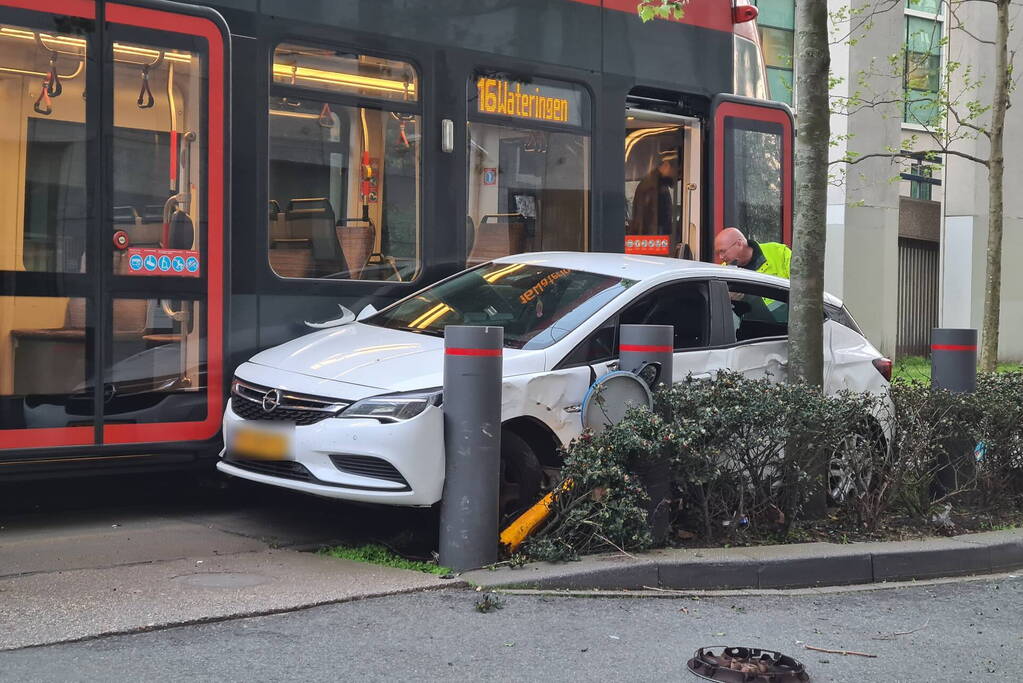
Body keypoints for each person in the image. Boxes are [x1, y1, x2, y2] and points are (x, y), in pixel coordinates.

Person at [629, 149, 678, 236]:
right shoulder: (652, 187)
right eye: (676, 170)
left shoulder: (658, 184)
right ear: (666, 165)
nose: (676, 175)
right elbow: (650, 222)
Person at [714, 226, 791, 279]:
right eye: (718, 253)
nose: (721, 257)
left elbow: (797, 281)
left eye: (723, 251)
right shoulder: (724, 271)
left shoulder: (779, 252)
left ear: (739, 244)